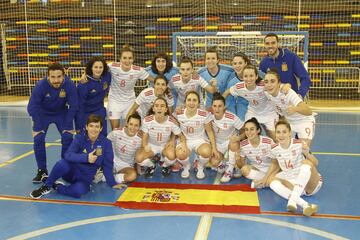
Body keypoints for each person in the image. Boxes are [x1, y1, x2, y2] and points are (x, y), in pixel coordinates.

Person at [29, 114, 124, 199]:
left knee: (79, 191)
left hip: (85, 178)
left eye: (97, 126)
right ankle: (47, 186)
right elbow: (68, 155)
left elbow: (107, 164)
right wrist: (87, 158)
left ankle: (57, 186)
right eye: (91, 126)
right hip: (71, 172)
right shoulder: (80, 138)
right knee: (62, 163)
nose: (94, 129)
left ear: (101, 128)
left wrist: (112, 183)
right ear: (86, 127)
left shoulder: (106, 143)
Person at [27, 63, 78, 183]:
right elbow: (32, 107)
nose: (56, 80)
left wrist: (68, 124)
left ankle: (64, 167)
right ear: (48, 76)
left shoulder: (69, 84)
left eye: (59, 76)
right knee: (38, 139)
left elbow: (74, 106)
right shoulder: (41, 85)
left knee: (67, 136)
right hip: (42, 114)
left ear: (64, 76)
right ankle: (42, 170)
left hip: (61, 113)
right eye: (53, 77)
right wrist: (38, 125)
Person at [265, 120, 322, 216]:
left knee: (306, 163)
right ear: (275, 134)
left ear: (289, 133)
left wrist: (306, 152)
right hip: (292, 182)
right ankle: (305, 205)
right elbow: (275, 163)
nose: (281, 135)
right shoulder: (274, 148)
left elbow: (315, 163)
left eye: (284, 132)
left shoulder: (299, 143)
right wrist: (266, 177)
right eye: (278, 132)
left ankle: (292, 201)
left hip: (309, 183)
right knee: (272, 181)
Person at [223, 65, 279, 140]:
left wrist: (287, 86)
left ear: (256, 76)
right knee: (246, 132)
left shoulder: (263, 85)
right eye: (246, 76)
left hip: (269, 112)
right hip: (253, 112)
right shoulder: (239, 87)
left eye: (251, 76)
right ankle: (241, 144)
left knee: (275, 137)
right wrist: (222, 105)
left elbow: (278, 87)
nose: (248, 79)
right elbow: (227, 92)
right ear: (242, 77)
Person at [263, 69, 315, 147]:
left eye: (272, 81)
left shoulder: (287, 92)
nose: (269, 84)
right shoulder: (266, 93)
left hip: (304, 121)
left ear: (279, 84)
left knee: (303, 150)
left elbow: (309, 111)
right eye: (266, 82)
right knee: (285, 150)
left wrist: (295, 109)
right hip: (290, 123)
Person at [175, 91, 220, 179]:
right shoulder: (178, 113)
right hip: (185, 140)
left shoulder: (204, 115)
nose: (191, 103)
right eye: (189, 100)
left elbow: (210, 131)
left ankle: (200, 167)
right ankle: (186, 167)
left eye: (194, 100)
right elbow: (174, 129)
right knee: (180, 154)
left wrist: (214, 148)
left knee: (207, 152)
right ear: (185, 102)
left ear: (199, 103)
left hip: (200, 140)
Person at [135, 97, 184, 177]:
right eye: (157, 105)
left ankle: (165, 165)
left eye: (162, 106)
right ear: (153, 108)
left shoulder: (171, 121)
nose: (159, 108)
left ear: (166, 109)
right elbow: (144, 137)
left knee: (172, 156)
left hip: (165, 146)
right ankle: (152, 165)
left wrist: (177, 142)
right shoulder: (147, 120)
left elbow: (180, 135)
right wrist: (145, 146)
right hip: (152, 146)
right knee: (139, 159)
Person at [107, 45, 153, 130]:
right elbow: (96, 67)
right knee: (115, 130)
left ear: (133, 59)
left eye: (130, 58)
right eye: (124, 58)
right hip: (114, 101)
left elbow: (153, 79)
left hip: (129, 101)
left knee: (131, 127)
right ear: (120, 59)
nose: (127, 61)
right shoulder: (112, 66)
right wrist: (85, 74)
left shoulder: (137, 70)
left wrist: (165, 86)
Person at [259, 33, 311, 99]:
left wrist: (300, 95)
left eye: (273, 43)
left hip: (290, 99)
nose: (270, 46)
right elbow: (261, 83)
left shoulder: (291, 57)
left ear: (278, 44)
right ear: (264, 45)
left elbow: (305, 78)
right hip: (273, 102)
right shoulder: (264, 62)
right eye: (267, 43)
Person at [223, 117, 274, 185]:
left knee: (274, 183)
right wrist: (238, 159)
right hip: (257, 169)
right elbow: (241, 166)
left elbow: (276, 163)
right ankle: (267, 181)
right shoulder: (244, 145)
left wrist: (268, 175)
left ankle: (265, 181)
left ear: (258, 130)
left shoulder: (268, 142)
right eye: (246, 130)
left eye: (252, 129)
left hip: (271, 169)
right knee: (244, 170)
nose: (249, 132)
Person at [208, 93, 244, 182]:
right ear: (211, 107)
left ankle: (230, 169)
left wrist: (238, 138)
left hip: (230, 142)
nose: (217, 109)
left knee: (233, 141)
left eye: (220, 106)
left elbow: (244, 130)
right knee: (214, 162)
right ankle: (223, 164)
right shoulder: (208, 116)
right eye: (215, 106)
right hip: (217, 143)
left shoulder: (231, 117)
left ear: (224, 107)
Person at [75, 57, 111, 136]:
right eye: (95, 67)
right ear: (91, 68)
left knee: (103, 134)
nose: (98, 70)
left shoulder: (107, 76)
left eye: (100, 67)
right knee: (83, 135)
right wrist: (78, 126)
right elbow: (79, 106)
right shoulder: (84, 84)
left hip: (99, 109)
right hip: (85, 112)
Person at [105, 113, 142, 184]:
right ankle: (108, 173)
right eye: (131, 124)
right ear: (127, 124)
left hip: (126, 165)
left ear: (139, 127)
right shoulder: (116, 133)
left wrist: (138, 170)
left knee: (133, 176)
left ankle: (109, 177)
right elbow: (105, 143)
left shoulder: (140, 139)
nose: (133, 128)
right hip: (112, 160)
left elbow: (138, 156)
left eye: (136, 125)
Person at [226, 52, 250, 120]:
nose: (237, 66)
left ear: (245, 63)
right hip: (242, 109)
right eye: (235, 63)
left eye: (240, 63)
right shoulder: (232, 80)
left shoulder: (256, 74)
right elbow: (229, 101)